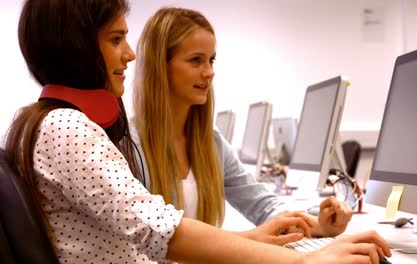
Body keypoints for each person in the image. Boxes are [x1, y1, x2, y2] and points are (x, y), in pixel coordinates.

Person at [4, 1, 391, 263]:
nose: (130, 53)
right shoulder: (68, 128)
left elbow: (154, 232)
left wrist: (260, 240)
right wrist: (307, 260)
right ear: (75, 46)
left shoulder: (42, 122)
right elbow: (162, 232)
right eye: (116, 39)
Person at [133, 6, 351, 240]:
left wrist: (317, 227)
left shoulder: (210, 141)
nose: (209, 72)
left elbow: (262, 204)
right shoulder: (130, 145)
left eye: (211, 60)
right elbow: (152, 242)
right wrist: (251, 239)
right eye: (196, 60)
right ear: (160, 66)